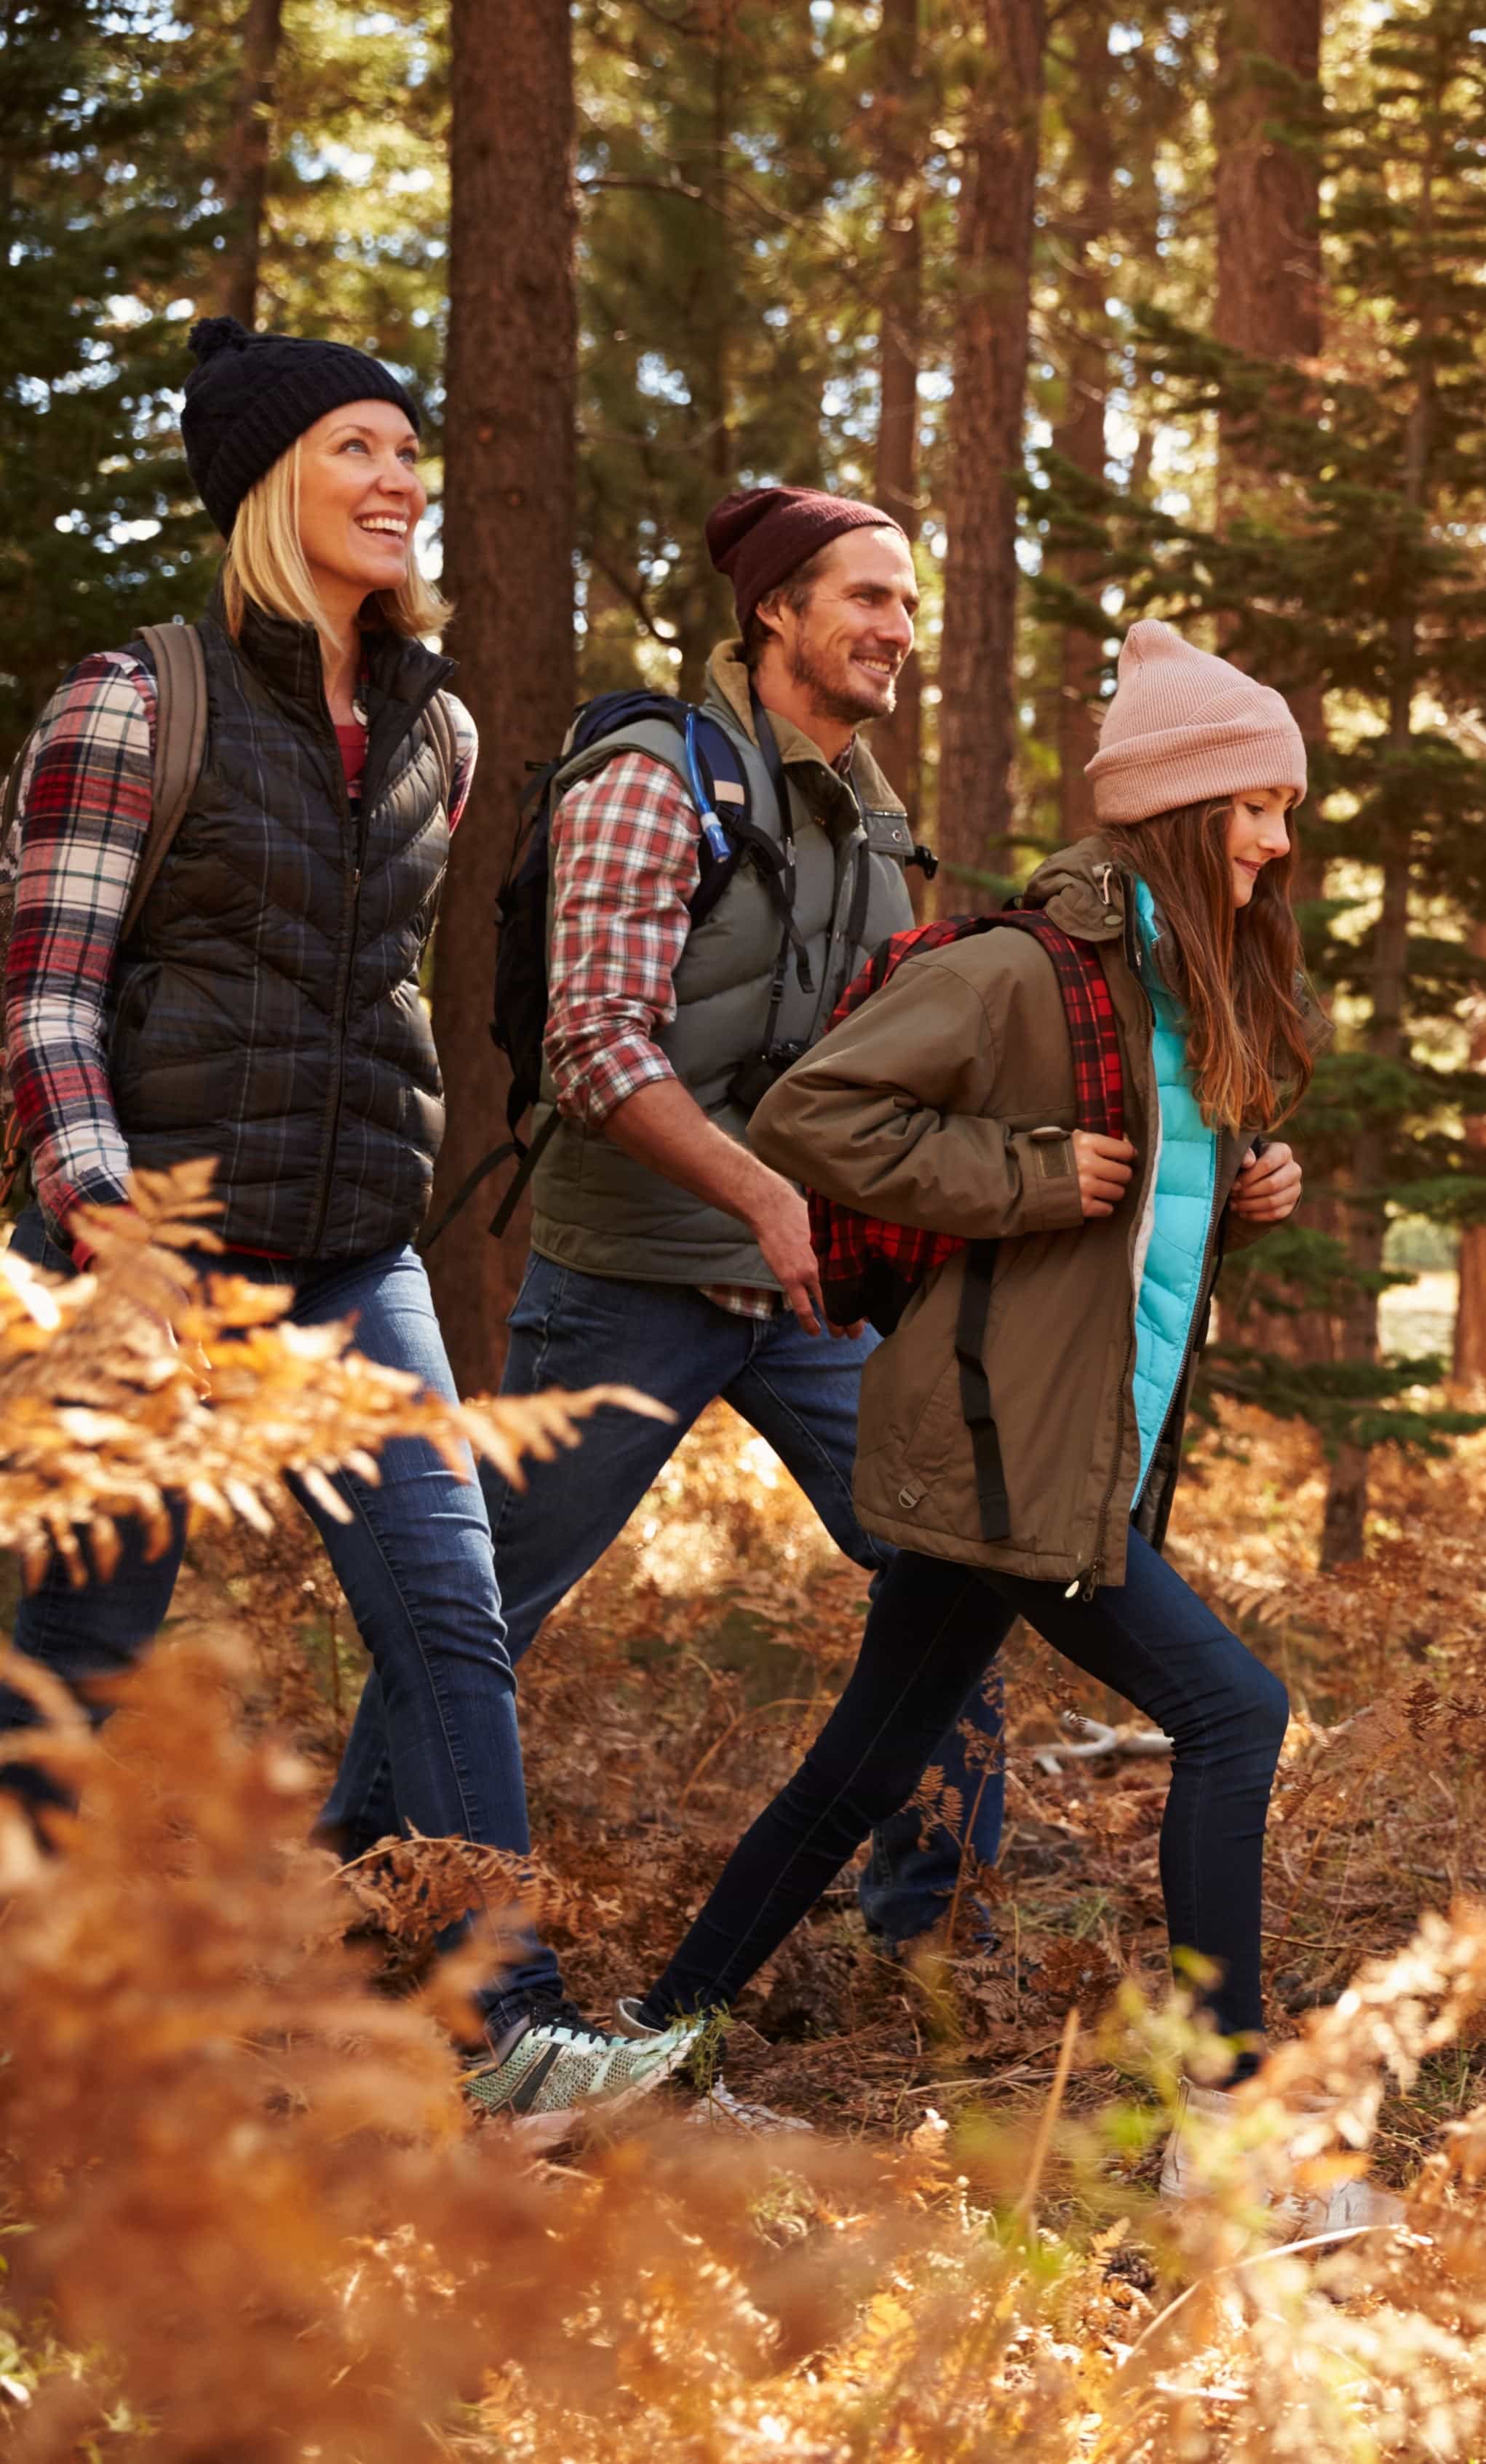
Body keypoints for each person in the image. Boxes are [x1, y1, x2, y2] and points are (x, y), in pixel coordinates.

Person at [0, 318, 702, 2119]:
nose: (401, 482)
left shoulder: (438, 728)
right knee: (82, 1651)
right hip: (148, 1246)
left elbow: (367, 986)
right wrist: (107, 1217)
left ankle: (508, 2028)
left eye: (410, 451)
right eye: (358, 450)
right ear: (266, 486)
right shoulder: (132, 700)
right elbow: (47, 995)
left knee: (450, 1612)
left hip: (353, 1251)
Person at [320, 486, 1006, 1952]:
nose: (898, 628)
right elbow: (594, 1046)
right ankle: (368, 1898)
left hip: (809, 1285)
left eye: (907, 603)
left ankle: (941, 1947)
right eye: (867, 598)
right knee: (484, 1609)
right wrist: (765, 1192)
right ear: (777, 613)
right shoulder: (651, 775)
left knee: (952, 1561)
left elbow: (911, 1063)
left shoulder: (876, 822)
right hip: (630, 1270)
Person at [631, 621, 1308, 2069]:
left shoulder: (1187, 981)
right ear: (1182, 808)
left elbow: (1133, 1230)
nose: (1275, 840)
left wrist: (1242, 1201)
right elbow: (814, 1114)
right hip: (1012, 1443)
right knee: (1235, 1712)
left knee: (869, 1756)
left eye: (1283, 811)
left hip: (1059, 1432)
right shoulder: (1026, 968)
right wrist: (1022, 1173)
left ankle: (648, 2033)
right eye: (1255, 806)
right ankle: (1234, 2119)